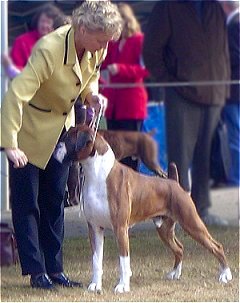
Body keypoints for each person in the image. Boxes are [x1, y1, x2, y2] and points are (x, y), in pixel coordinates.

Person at [0, 0, 122, 290]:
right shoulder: (49, 49)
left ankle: (55, 270)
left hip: (61, 132)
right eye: (100, 39)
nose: (103, 46)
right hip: (27, 132)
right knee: (27, 203)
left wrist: (91, 95)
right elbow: (15, 95)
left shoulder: (97, 45)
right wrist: (10, 144)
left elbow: (89, 76)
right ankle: (36, 271)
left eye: (107, 40)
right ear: (82, 28)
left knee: (55, 200)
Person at [143, 0, 230, 225]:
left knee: (206, 158)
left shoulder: (215, 6)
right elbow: (151, 50)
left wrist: (225, 84)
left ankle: (202, 210)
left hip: (214, 92)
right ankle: (176, 213)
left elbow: (223, 48)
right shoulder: (168, 6)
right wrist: (169, 82)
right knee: (179, 158)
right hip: (181, 94)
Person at [101, 2, 149, 171]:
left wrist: (121, 69)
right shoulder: (112, 43)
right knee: (116, 149)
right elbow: (102, 65)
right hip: (113, 104)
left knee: (131, 149)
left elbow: (145, 69)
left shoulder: (140, 41)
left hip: (132, 105)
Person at [2, 3, 67, 80]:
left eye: (48, 22)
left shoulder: (61, 43)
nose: (44, 25)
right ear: (37, 22)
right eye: (43, 21)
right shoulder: (22, 41)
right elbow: (15, 70)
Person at [220, 0, 240, 186]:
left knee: (235, 135)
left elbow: (234, 56)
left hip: (234, 90)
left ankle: (236, 177)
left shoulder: (234, 25)